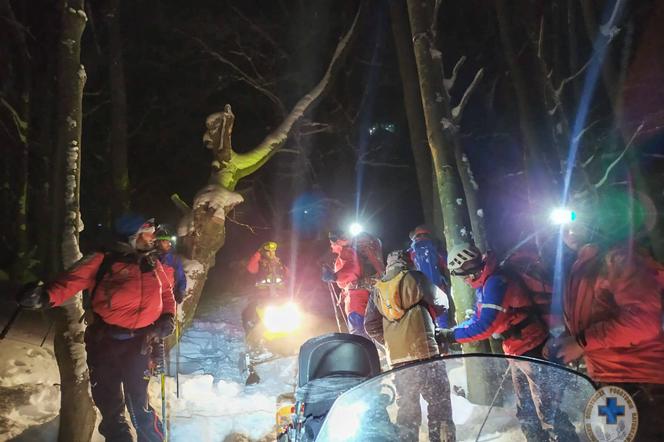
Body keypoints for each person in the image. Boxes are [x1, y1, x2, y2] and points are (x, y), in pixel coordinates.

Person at [17, 215, 176, 442]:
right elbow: (70, 280)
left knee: (140, 405)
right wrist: (43, 297)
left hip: (140, 343)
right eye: (148, 233)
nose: (153, 238)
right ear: (133, 236)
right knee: (110, 406)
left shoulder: (152, 263)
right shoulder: (103, 259)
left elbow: (166, 294)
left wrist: (168, 317)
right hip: (105, 343)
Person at [439, 242, 577, 442]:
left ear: (468, 268)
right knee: (527, 412)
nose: (465, 281)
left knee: (548, 413)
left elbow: (486, 325)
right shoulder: (487, 283)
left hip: (533, 350)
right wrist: (452, 331)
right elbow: (478, 318)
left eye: (462, 275)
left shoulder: (496, 282)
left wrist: (451, 336)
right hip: (518, 351)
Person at [546, 217, 664, 441]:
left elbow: (644, 323)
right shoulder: (581, 266)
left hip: (641, 382)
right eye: (563, 225)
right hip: (608, 381)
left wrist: (581, 342)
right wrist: (566, 341)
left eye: (576, 219)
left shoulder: (617, 259)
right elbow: (590, 319)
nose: (568, 230)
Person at [364, 250, 456, 441]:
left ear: (388, 266)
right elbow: (442, 301)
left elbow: (370, 325)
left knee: (407, 411)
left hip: (399, 362)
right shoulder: (415, 277)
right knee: (440, 407)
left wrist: (391, 343)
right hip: (426, 354)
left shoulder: (377, 291)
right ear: (408, 262)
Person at [322, 231, 376, 338]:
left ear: (337, 242)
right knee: (363, 328)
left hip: (355, 297)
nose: (331, 245)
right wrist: (342, 294)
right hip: (355, 294)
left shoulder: (346, 251)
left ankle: (363, 351)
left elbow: (353, 269)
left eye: (331, 243)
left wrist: (335, 276)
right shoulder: (345, 253)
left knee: (358, 330)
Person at [407, 225, 454, 328]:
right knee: (442, 316)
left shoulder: (411, 252)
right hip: (438, 287)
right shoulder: (435, 248)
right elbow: (448, 263)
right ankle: (445, 337)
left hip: (420, 290)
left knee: (426, 318)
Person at [155, 224, 187, 303]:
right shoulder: (151, 258)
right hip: (155, 296)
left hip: (169, 296)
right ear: (157, 243)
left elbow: (181, 277)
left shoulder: (174, 259)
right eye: (165, 241)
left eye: (169, 241)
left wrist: (180, 291)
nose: (168, 244)